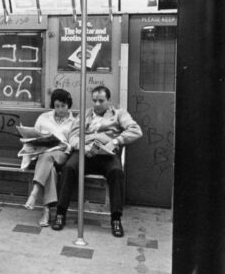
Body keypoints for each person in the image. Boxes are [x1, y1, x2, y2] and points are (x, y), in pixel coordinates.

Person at [51, 85, 142, 237]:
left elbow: (136, 131)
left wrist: (115, 141)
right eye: (94, 101)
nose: (97, 104)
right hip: (85, 153)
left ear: (109, 100)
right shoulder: (84, 114)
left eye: (101, 101)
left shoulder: (119, 114)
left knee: (117, 172)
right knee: (68, 168)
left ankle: (116, 219)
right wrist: (82, 147)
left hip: (106, 154)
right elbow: (73, 136)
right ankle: (60, 213)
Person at [23, 89, 76, 227]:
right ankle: (46, 211)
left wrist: (68, 147)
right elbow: (34, 136)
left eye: (63, 106)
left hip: (62, 154)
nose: (60, 109)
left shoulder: (74, 121)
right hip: (44, 155)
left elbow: (75, 142)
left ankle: (34, 193)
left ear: (68, 105)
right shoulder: (43, 117)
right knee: (50, 170)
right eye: (57, 106)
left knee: (48, 157)